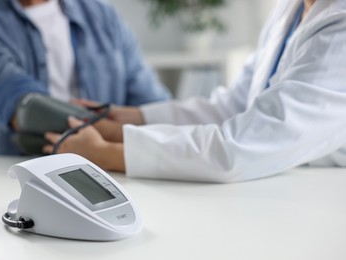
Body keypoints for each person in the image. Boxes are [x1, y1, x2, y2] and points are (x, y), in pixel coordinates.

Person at [44, 0, 346, 183]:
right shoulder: (291, 8)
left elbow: (240, 148)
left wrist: (107, 154)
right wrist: (133, 118)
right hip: (276, 186)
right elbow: (235, 106)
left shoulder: (339, 27)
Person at [0, 0, 170, 155]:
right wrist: (118, 141)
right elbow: (28, 110)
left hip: (98, 181)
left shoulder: (103, 17)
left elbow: (152, 107)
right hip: (5, 185)